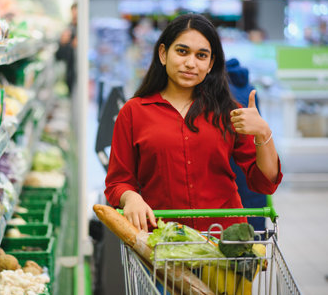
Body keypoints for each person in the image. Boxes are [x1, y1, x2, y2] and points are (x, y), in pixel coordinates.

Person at [104, 14, 282, 233]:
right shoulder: (134, 112)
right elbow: (117, 182)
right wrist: (130, 198)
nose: (190, 63)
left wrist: (263, 133)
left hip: (224, 244)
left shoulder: (228, 110)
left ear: (211, 64)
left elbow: (264, 183)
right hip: (163, 245)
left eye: (201, 55)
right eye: (182, 51)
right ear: (163, 54)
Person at [226, 58, 267, 232]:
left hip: (232, 152)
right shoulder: (250, 88)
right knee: (253, 200)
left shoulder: (225, 91)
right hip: (252, 150)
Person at [55, 2, 77, 95]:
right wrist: (63, 43)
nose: (74, 19)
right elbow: (58, 56)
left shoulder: (85, 31)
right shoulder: (69, 30)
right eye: (73, 16)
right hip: (71, 74)